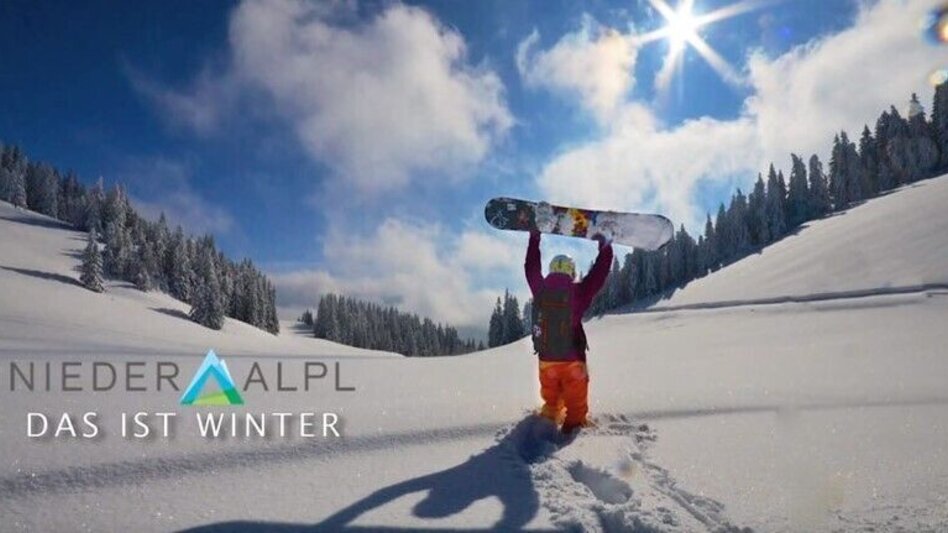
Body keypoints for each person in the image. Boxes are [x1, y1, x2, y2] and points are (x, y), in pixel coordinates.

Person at [524, 228, 613, 434]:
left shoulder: (540, 289)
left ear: (552, 270)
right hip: (573, 362)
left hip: (547, 361)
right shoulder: (579, 292)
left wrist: (534, 238)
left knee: (551, 400)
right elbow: (599, 274)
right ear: (571, 272)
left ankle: (545, 426)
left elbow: (530, 268)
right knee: (576, 408)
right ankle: (573, 431)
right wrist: (605, 246)